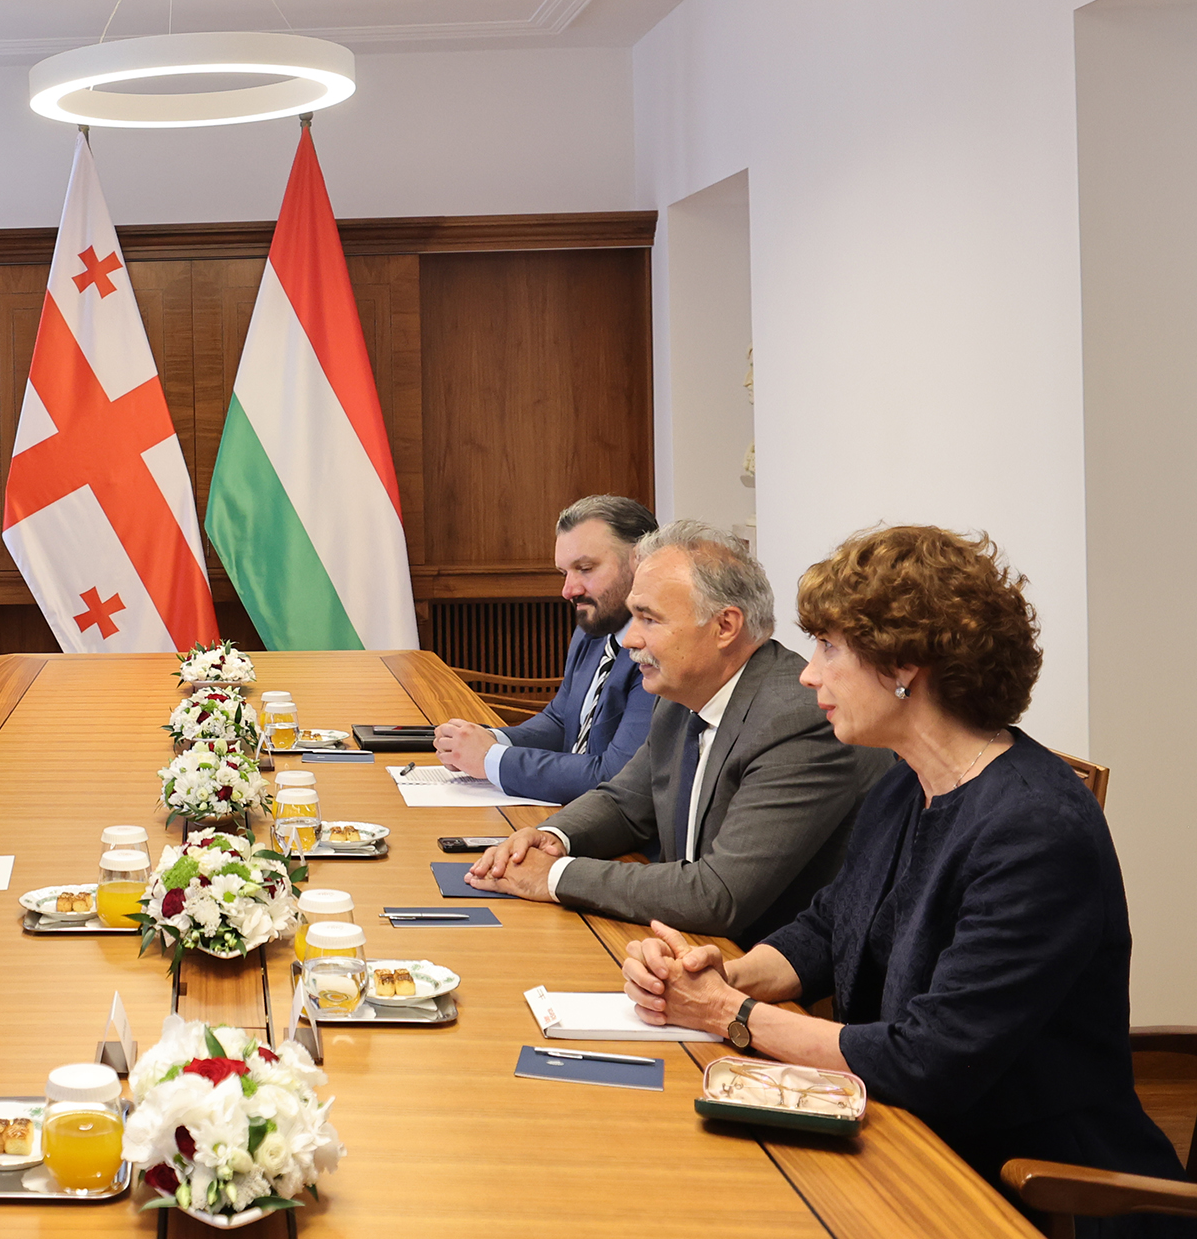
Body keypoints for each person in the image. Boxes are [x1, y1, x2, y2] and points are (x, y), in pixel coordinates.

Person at [620, 527, 1187, 1232]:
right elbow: (831, 925)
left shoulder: (1035, 829)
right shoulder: (904, 783)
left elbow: (929, 1060)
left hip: (1031, 1190)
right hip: (901, 1136)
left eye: (828, 648)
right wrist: (720, 976)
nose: (808, 674)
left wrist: (727, 1014)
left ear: (904, 665)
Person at [466, 520, 888, 943]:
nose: (630, 640)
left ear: (725, 626)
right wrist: (552, 837)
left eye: (649, 619)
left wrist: (555, 876)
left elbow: (717, 895)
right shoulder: (680, 694)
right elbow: (625, 802)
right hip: (687, 947)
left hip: (765, 964)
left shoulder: (798, 721)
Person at [432, 495, 659, 802]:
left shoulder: (658, 651)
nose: (568, 591)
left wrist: (491, 759)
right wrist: (488, 740)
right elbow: (561, 720)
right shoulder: (591, 631)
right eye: (564, 573)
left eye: (585, 568)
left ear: (641, 562)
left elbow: (613, 777)